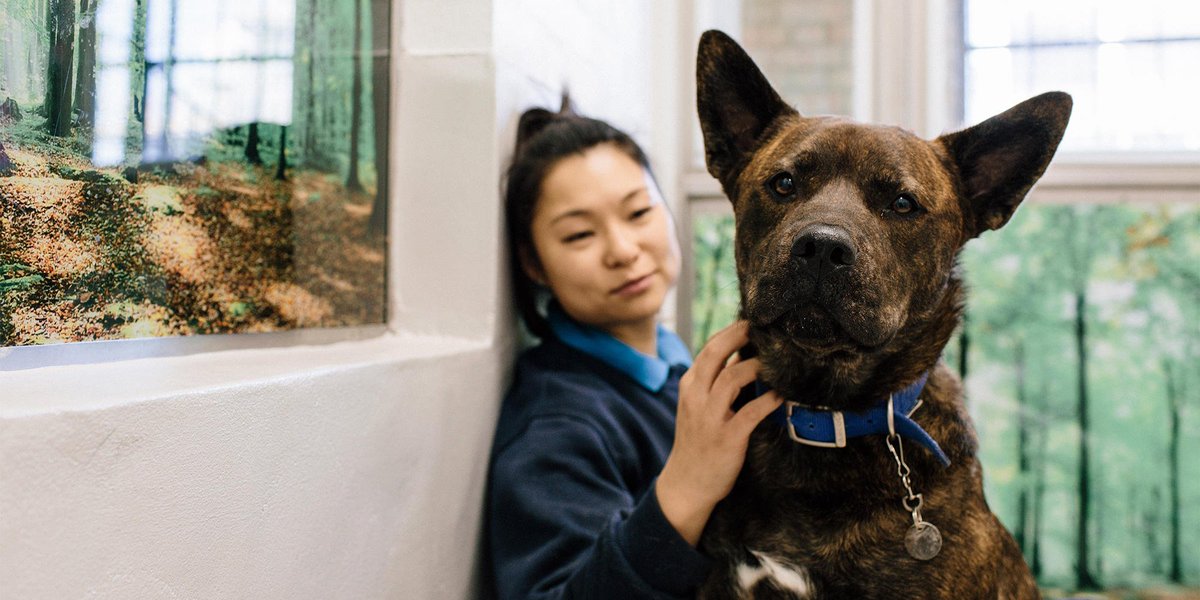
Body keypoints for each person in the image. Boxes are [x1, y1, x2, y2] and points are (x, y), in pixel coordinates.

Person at [487, 98, 783, 599]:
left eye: (639, 211)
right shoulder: (557, 426)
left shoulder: (674, 362)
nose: (623, 251)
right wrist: (686, 487)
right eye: (580, 234)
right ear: (533, 263)